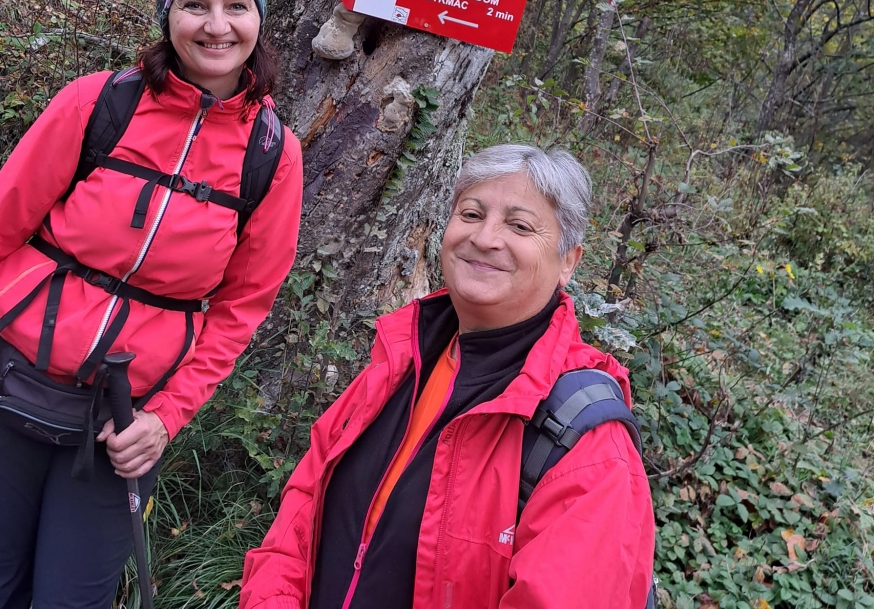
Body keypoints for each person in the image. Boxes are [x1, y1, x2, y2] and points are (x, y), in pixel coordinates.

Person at [0, 0, 304, 609]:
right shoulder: (98, 104)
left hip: (121, 424)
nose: (216, 25)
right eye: (195, 4)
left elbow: (240, 310)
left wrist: (164, 418)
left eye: (235, 6)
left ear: (259, 20)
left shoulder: (271, 156)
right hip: (4, 378)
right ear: (168, 15)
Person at [239, 144, 654, 609]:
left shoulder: (586, 445)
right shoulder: (403, 359)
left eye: (519, 225)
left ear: (568, 261)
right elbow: (302, 509)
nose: (485, 237)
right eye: (471, 214)